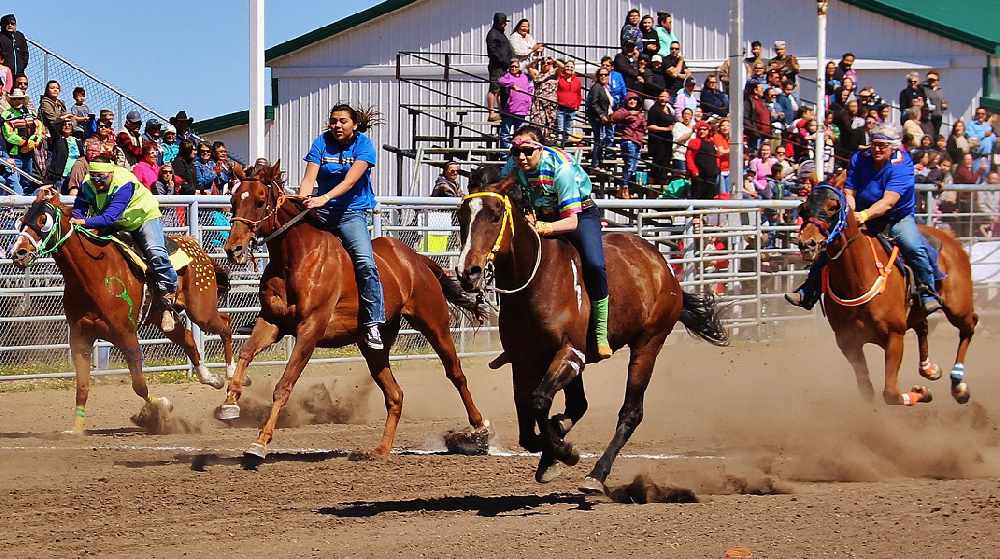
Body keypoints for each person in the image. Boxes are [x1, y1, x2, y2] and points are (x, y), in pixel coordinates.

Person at [786, 124, 943, 314]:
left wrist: (864, 215)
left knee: (913, 246)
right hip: (861, 212)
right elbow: (850, 191)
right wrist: (851, 210)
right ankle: (808, 290)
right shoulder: (859, 159)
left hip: (895, 218)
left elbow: (888, 202)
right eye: (874, 144)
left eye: (882, 146)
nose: (876, 149)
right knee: (832, 244)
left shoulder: (902, 166)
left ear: (893, 147)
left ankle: (927, 291)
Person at [501, 124, 612, 359]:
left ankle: (600, 332)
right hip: (543, 214)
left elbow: (571, 222)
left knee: (594, 263)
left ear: (540, 149)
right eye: (515, 152)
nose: (521, 157)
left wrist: (544, 227)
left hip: (579, 216)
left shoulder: (562, 170)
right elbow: (503, 191)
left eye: (527, 152)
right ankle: (514, 340)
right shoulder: (513, 165)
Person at [301, 104, 386, 349]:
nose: (337, 125)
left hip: (351, 213)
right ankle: (270, 309)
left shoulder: (364, 145)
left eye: (343, 121)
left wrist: (324, 198)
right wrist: (304, 201)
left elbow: (350, 181)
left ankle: (373, 322)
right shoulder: (321, 143)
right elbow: (308, 179)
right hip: (321, 211)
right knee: (291, 246)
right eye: (334, 121)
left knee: (365, 262)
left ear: (354, 124)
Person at [70, 158, 180, 331]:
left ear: (111, 173)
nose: (97, 181)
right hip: (116, 221)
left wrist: (82, 221)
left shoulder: (124, 183)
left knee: (156, 252)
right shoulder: (87, 184)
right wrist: (76, 218)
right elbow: (79, 208)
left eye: (102, 177)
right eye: (94, 177)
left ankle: (168, 295)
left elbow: (109, 217)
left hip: (142, 218)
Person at [0, 88, 42, 194]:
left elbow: (39, 128)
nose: (18, 101)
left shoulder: (30, 114)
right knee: (13, 180)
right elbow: (8, 134)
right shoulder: (6, 115)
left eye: (20, 99)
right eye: (15, 99)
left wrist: (34, 141)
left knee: (27, 181)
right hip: (14, 154)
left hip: (29, 154)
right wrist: (24, 142)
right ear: (12, 101)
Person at [610, 92, 646, 198]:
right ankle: (625, 188)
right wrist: (628, 113)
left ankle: (621, 189)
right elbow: (614, 117)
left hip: (638, 142)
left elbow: (644, 126)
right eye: (630, 99)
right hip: (628, 140)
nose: (632, 101)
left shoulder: (640, 113)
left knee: (633, 167)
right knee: (629, 165)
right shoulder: (624, 111)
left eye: (635, 100)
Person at [496, 58, 533, 149]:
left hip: (521, 110)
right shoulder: (507, 76)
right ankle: (505, 153)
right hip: (509, 110)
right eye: (512, 66)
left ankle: (517, 151)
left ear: (519, 67)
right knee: (505, 133)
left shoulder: (524, 77)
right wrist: (512, 84)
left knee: (519, 133)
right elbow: (500, 81)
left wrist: (529, 103)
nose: (513, 68)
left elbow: (530, 90)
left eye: (516, 66)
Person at [485, 13, 513, 123]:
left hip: (505, 66)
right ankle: (491, 113)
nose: (505, 24)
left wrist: (511, 60)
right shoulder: (492, 34)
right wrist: (503, 61)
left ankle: (502, 111)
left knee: (503, 89)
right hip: (497, 66)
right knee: (494, 88)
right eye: (503, 22)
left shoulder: (501, 34)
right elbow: (493, 52)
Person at [586, 67, 614, 169]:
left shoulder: (606, 88)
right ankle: (595, 163)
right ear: (598, 76)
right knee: (599, 140)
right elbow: (594, 103)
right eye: (601, 75)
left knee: (602, 140)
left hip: (605, 118)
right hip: (598, 119)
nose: (603, 76)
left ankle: (599, 161)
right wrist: (601, 114)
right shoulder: (596, 87)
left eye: (605, 75)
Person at [527, 56, 560, 142]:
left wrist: (554, 60)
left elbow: (562, 67)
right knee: (537, 124)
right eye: (543, 63)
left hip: (550, 104)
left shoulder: (554, 74)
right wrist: (536, 60)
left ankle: (549, 142)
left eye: (548, 63)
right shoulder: (537, 74)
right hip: (538, 104)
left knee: (550, 125)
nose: (546, 64)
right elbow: (529, 67)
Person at [646, 90, 675, 186]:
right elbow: (650, 126)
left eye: (665, 97)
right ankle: (652, 188)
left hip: (667, 142)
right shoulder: (654, 110)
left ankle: (662, 187)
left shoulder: (669, 109)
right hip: (657, 142)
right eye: (661, 96)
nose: (663, 98)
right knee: (657, 164)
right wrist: (666, 129)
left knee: (665, 164)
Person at [685, 121, 720, 200]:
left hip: (712, 174)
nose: (702, 131)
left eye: (704, 130)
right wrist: (694, 170)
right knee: (697, 196)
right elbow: (689, 157)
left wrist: (717, 168)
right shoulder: (694, 142)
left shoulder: (712, 142)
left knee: (709, 196)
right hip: (699, 175)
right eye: (700, 129)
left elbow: (716, 156)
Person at [47, 119, 83, 192]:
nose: (67, 126)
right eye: (64, 124)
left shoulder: (78, 141)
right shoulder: (58, 139)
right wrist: (63, 118)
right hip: (61, 174)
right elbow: (52, 125)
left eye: (69, 124)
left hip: (74, 175)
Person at [554, 59, 581, 146]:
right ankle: (560, 145)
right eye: (567, 66)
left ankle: (566, 145)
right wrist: (555, 60)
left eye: (571, 67)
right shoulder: (560, 78)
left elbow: (578, 94)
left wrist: (577, 104)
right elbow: (559, 67)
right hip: (561, 107)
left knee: (568, 129)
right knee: (560, 128)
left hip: (572, 108)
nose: (569, 68)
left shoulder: (577, 80)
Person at [967, 107, 995, 178]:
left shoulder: (988, 126)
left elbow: (993, 139)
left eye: (983, 114)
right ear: (976, 115)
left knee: (985, 179)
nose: (980, 115)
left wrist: (995, 138)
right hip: (977, 156)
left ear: (986, 115)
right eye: (978, 113)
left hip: (987, 157)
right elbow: (971, 138)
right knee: (977, 177)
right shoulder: (971, 125)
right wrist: (984, 134)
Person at [923, 71, 947, 140]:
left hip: (938, 116)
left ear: (937, 81)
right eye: (929, 80)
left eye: (933, 80)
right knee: (928, 135)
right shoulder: (924, 89)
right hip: (928, 116)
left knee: (936, 135)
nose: (931, 82)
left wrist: (944, 106)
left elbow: (943, 102)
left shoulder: (940, 90)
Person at [671, 107, 694, 172]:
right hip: (679, 155)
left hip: (690, 157)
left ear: (691, 116)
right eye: (685, 114)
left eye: (688, 114)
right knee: (680, 177)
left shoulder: (693, 127)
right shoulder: (678, 125)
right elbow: (678, 140)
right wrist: (691, 132)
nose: (686, 116)